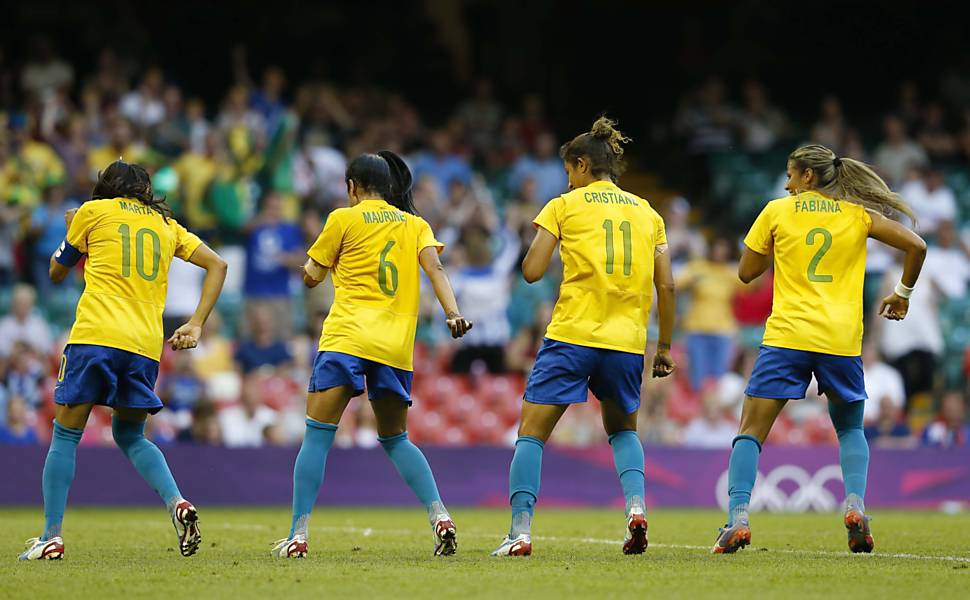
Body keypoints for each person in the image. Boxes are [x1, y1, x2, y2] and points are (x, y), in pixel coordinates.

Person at [712, 144, 926, 555]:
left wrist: (780, 246)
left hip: (787, 338)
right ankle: (855, 506)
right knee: (849, 430)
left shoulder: (776, 212)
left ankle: (737, 517)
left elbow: (745, 273)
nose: (787, 184)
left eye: (791, 175)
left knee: (750, 432)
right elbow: (917, 246)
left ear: (808, 176)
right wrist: (901, 294)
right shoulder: (857, 216)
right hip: (840, 340)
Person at [19, 161, 228, 561]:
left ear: (106, 187)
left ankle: (51, 537)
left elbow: (56, 272)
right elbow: (218, 264)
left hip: (95, 337)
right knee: (131, 435)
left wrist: (71, 232)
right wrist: (197, 324)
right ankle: (177, 502)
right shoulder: (167, 226)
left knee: (65, 435)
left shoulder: (92, 212)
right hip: (144, 346)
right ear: (146, 190)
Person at [271, 150, 472, 559]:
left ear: (352, 187)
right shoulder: (416, 224)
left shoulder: (342, 218)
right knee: (396, 438)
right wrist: (453, 313)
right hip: (395, 346)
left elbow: (312, 276)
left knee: (318, 436)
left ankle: (298, 534)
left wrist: (311, 269)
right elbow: (435, 269)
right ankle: (441, 516)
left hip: (347, 338)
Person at [491, 117, 676, 557]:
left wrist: (544, 239)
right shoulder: (648, 212)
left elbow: (532, 273)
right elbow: (666, 286)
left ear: (580, 165)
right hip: (627, 341)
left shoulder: (563, 205)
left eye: (569, 171)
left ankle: (520, 532)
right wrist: (664, 345)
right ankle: (636, 508)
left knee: (532, 433)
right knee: (622, 430)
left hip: (572, 335)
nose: (568, 180)